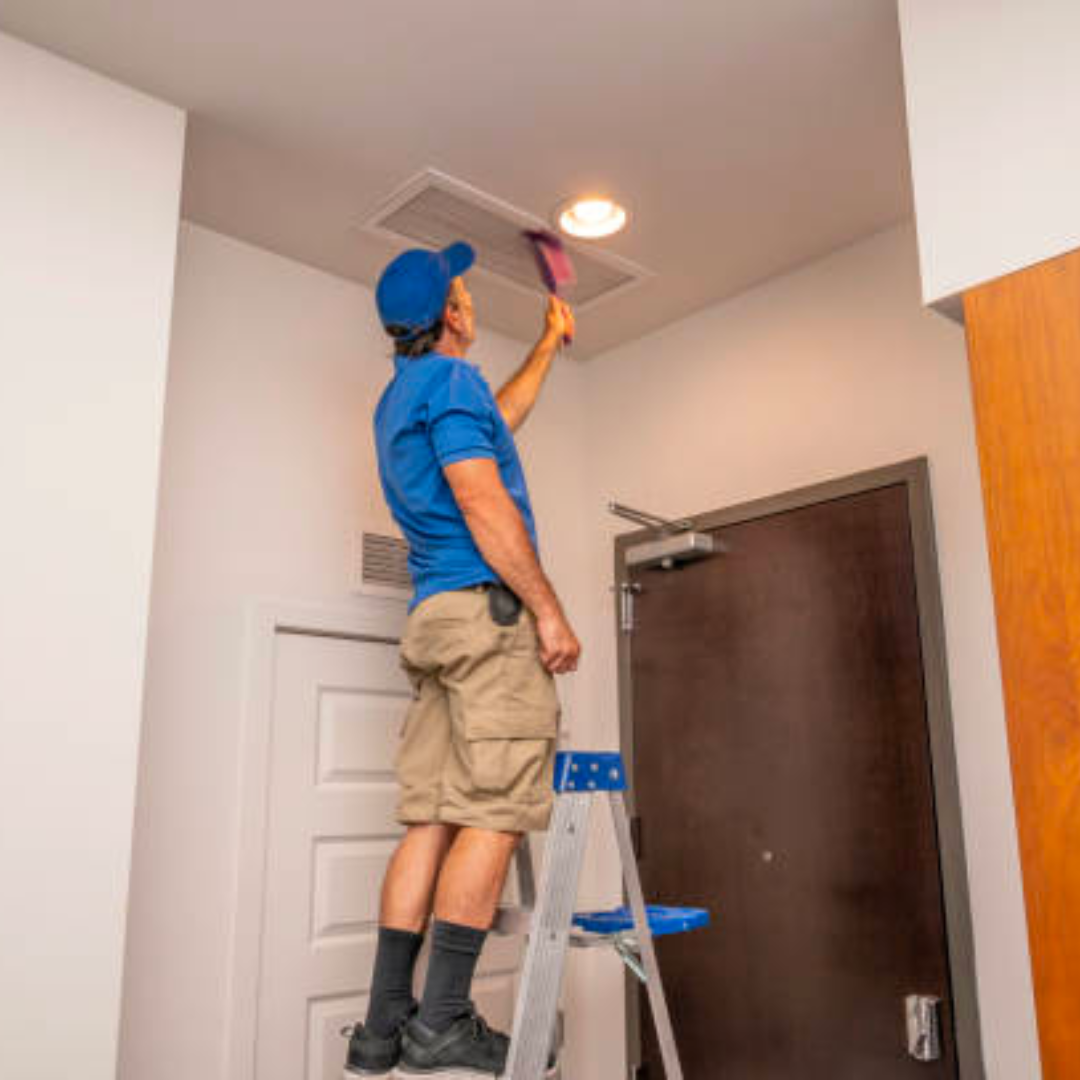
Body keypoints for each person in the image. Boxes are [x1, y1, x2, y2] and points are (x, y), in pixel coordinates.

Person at [344, 241, 581, 1078]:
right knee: (492, 808)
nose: (473, 303)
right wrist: (548, 610)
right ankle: (442, 1017)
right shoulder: (450, 385)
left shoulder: (408, 395)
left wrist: (547, 346)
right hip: (488, 618)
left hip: (435, 621)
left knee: (431, 816)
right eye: (467, 294)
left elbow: (497, 419)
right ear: (452, 315)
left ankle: (383, 1025)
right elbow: (480, 494)